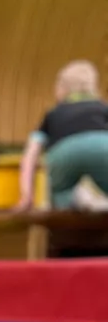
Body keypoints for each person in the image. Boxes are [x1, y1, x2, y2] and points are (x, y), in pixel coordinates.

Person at [18, 60, 108, 212]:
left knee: (60, 193)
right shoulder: (103, 108)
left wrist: (27, 195)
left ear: (62, 89)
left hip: (64, 150)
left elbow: (30, 155)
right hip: (103, 146)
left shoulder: (53, 114)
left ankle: (74, 205)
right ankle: (99, 205)